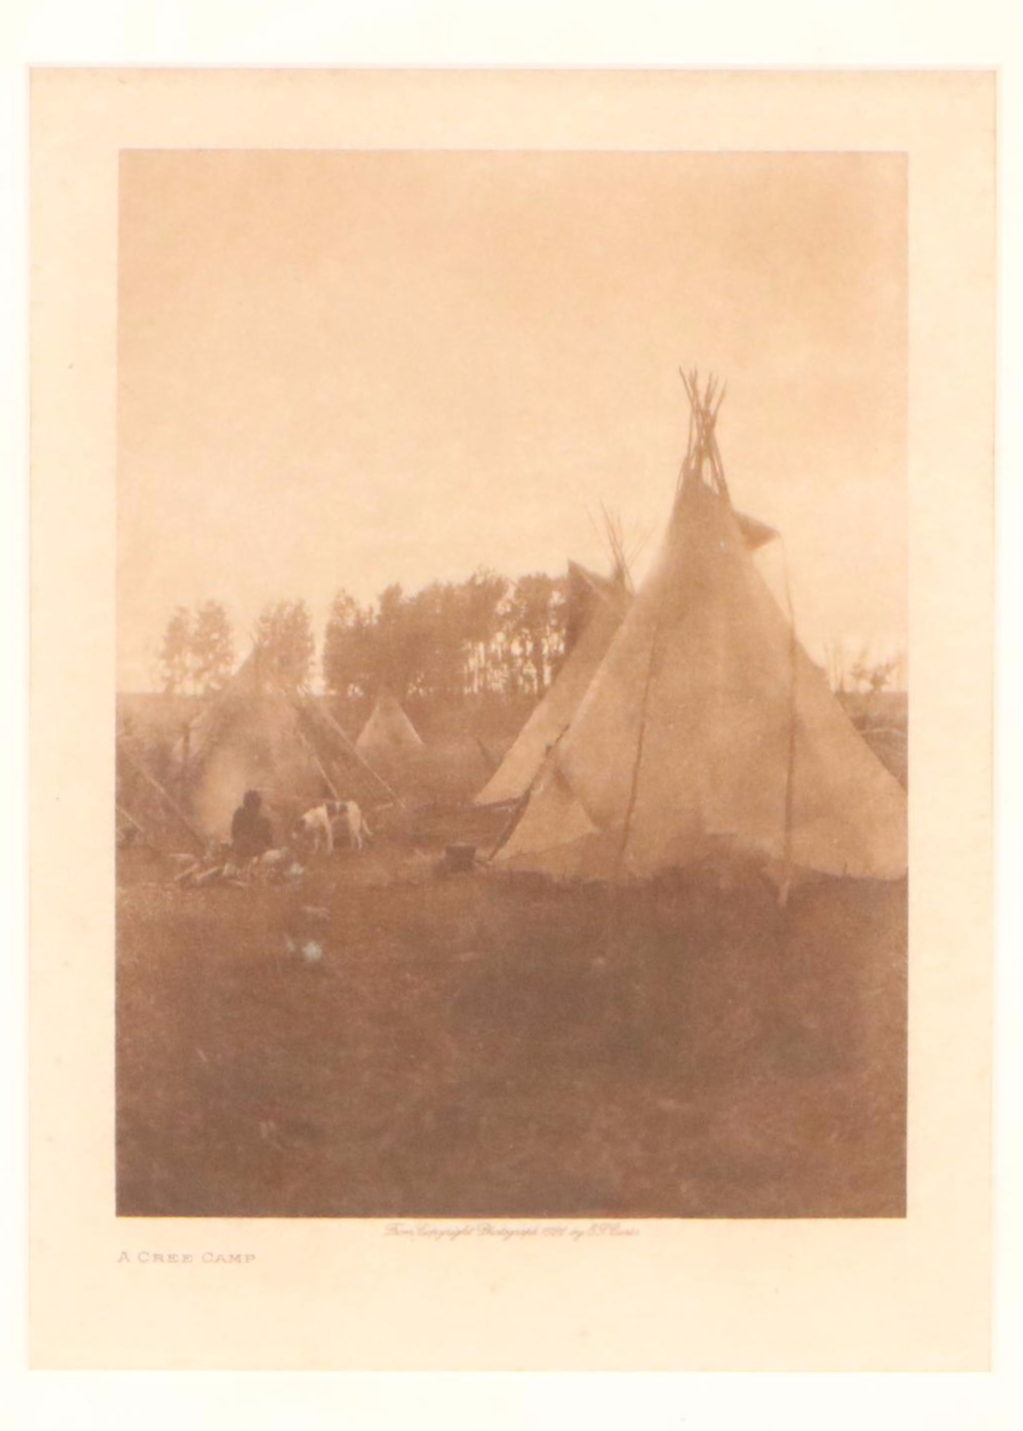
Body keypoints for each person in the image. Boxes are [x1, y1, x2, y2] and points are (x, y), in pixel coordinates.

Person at [230, 789, 274, 863]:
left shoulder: (264, 822)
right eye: (252, 805)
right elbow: (237, 837)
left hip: (258, 856)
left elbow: (268, 842)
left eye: (256, 805)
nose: (256, 809)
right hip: (243, 856)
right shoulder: (240, 816)